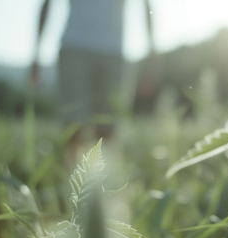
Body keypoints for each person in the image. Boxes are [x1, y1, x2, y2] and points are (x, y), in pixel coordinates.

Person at [32, 0, 154, 141]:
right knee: (73, 124)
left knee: (108, 125)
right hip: (74, 48)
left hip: (113, 52)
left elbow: (145, 5)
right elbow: (47, 4)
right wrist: (36, 54)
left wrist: (151, 58)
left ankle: (105, 163)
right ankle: (73, 163)